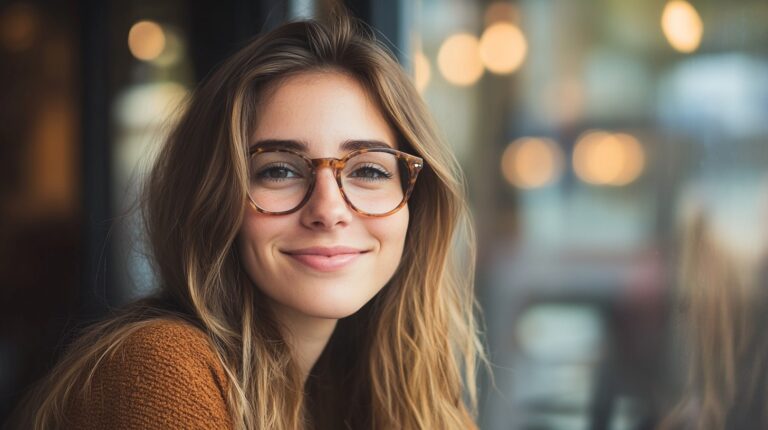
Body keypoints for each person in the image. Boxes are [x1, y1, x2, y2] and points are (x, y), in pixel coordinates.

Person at [13, 11, 485, 430]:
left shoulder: (388, 388)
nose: (328, 210)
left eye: (368, 170)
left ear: (413, 206)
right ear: (214, 200)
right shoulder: (164, 369)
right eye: (279, 170)